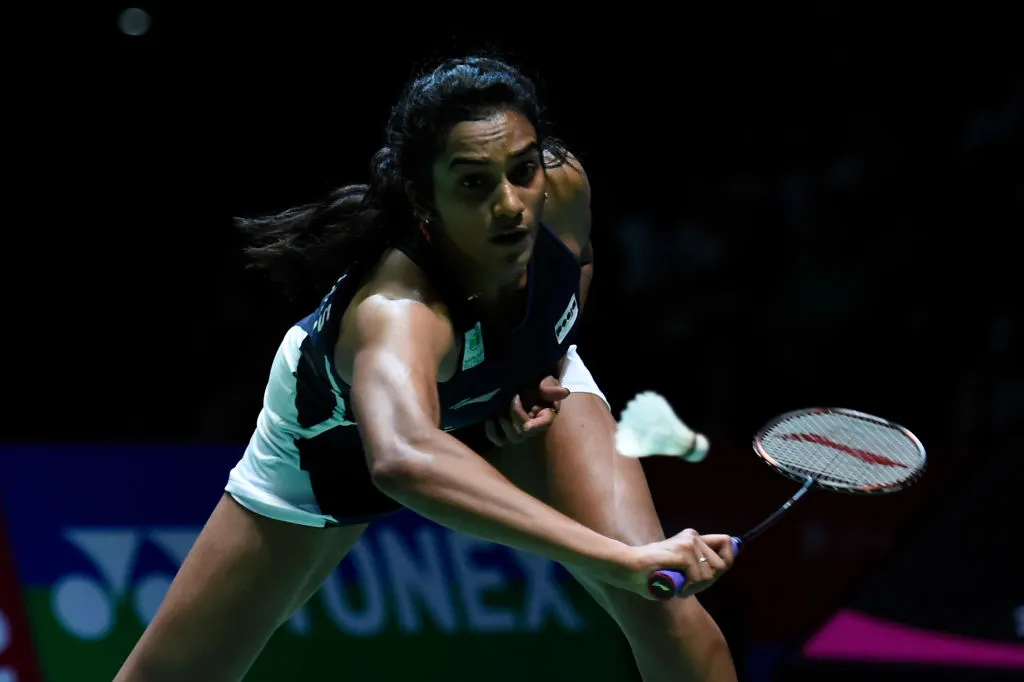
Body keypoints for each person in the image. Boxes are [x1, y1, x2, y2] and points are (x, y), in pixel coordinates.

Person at [114, 55, 738, 682]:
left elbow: (576, 263)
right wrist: (614, 560)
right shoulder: (396, 314)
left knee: (665, 604)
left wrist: (535, 363)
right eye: (473, 183)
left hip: (504, 397)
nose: (510, 205)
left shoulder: (563, 185)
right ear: (423, 197)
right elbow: (403, 458)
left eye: (522, 172)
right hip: (332, 447)